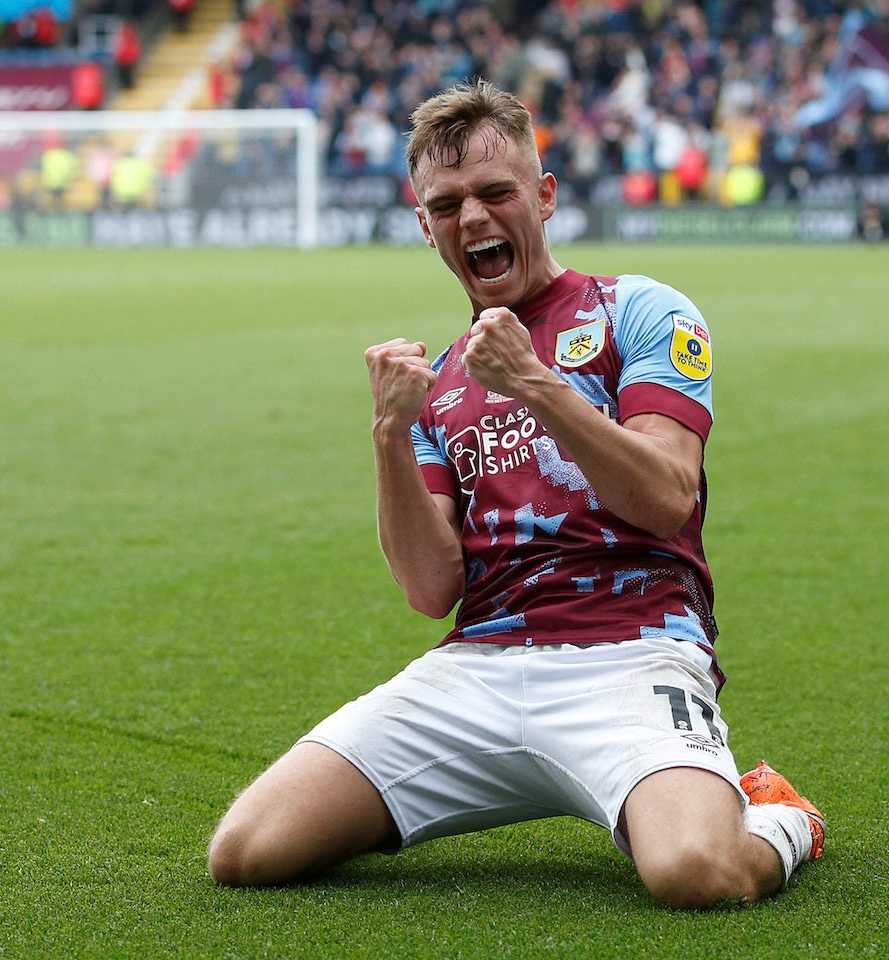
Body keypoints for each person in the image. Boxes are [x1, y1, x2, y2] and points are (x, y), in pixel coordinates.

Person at [207, 79, 825, 909]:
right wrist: (389, 435)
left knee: (695, 873)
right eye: (447, 203)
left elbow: (666, 498)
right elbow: (432, 590)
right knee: (246, 851)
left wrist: (538, 385)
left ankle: (782, 816)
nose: (474, 218)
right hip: (480, 667)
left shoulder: (640, 309)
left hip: (633, 651)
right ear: (425, 226)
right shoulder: (438, 382)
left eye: (497, 192)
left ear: (544, 196)